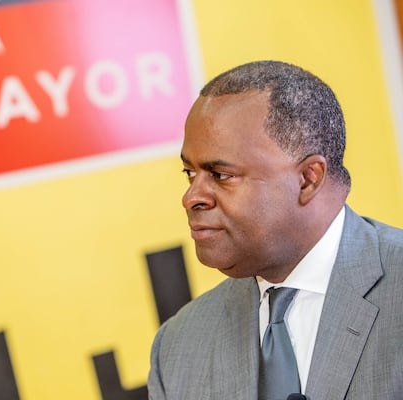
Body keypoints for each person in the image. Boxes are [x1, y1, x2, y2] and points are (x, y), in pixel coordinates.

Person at [147, 60, 403, 400]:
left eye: (221, 175)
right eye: (190, 174)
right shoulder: (177, 349)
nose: (191, 197)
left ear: (308, 179)